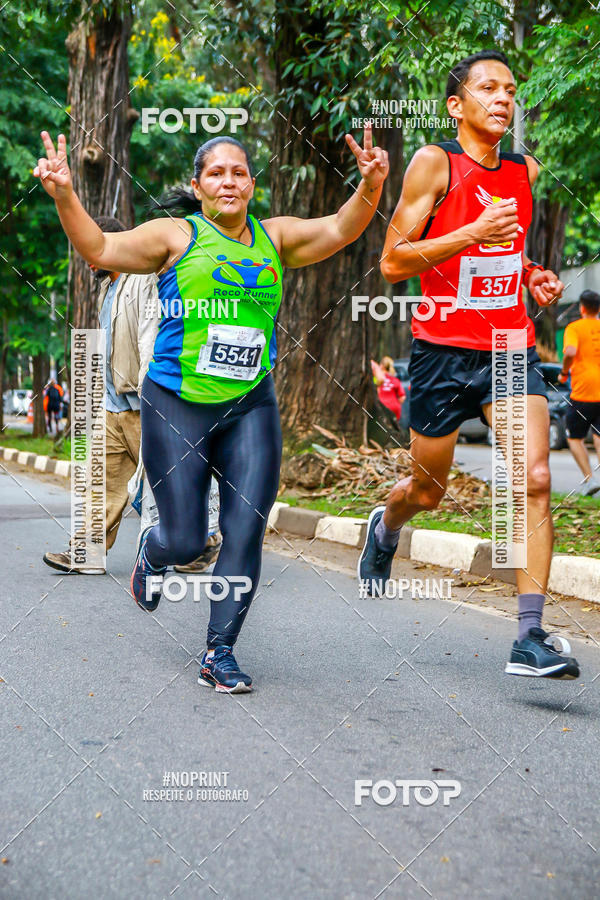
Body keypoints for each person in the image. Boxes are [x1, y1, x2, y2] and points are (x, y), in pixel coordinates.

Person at [35, 125, 389, 692]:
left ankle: (218, 653)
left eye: (239, 172)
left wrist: (369, 184)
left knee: (245, 531)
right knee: (187, 541)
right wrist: (64, 196)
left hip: (251, 403)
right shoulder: (173, 236)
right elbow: (99, 249)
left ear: (252, 184)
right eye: (216, 172)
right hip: (177, 401)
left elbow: (342, 228)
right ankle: (153, 551)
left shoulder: (275, 237)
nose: (229, 180)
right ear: (197, 186)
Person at [358, 50, 580, 679]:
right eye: (488, 88)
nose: (503, 98)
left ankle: (529, 636)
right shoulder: (436, 164)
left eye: (510, 89)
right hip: (441, 352)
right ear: (457, 105)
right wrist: (468, 233)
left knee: (534, 477)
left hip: (507, 345)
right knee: (430, 488)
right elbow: (394, 262)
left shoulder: (523, 170)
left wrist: (533, 275)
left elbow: (509, 250)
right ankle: (387, 522)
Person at [43, 216, 160, 574]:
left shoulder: (143, 279)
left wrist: (153, 394)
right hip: (114, 408)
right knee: (102, 483)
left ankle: (207, 542)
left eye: (94, 247)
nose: (89, 257)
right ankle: (87, 553)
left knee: (168, 485)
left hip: (144, 406)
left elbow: (150, 337)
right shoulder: (107, 289)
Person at [558, 289, 600, 496]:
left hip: (584, 391)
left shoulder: (574, 328)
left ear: (582, 308)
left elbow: (571, 352)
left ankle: (590, 479)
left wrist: (564, 372)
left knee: (574, 437)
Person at [371, 356, 405, 423]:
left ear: (381, 366)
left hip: (382, 407)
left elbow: (376, 391)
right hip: (395, 408)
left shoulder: (377, 379)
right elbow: (402, 397)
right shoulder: (395, 380)